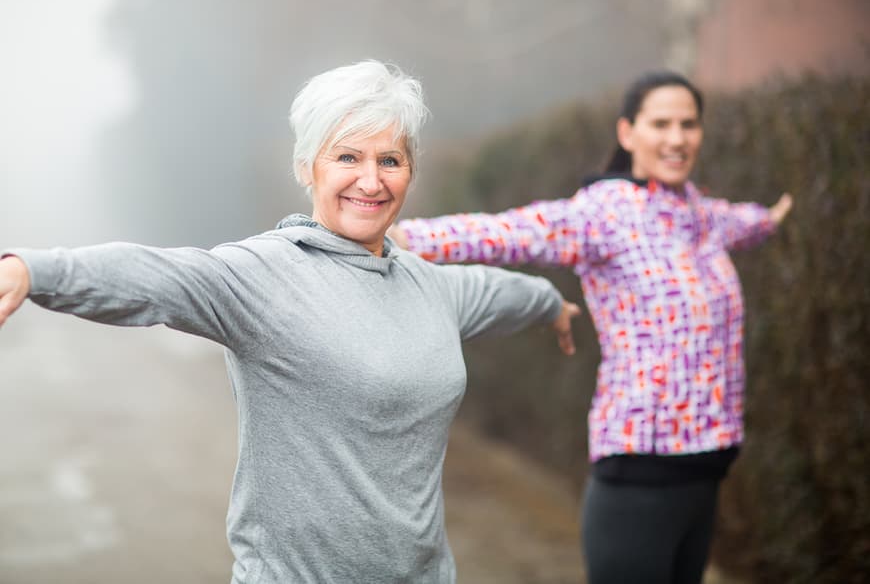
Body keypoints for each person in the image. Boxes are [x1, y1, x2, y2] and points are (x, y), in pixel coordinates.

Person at [0, 60, 580, 583]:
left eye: (390, 160)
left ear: (410, 171)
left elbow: (499, 291)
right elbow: (156, 276)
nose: (371, 180)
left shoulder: (430, 285)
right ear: (307, 166)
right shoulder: (264, 277)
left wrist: (552, 306)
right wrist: (34, 269)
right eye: (347, 157)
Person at [389, 70, 793, 584]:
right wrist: (404, 237)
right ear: (628, 133)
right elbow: (513, 232)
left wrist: (772, 218)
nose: (677, 138)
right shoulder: (606, 214)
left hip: (707, 465)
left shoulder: (697, 212)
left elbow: (738, 222)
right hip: (640, 470)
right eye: (661, 123)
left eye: (689, 124)